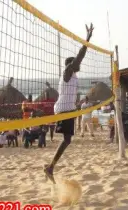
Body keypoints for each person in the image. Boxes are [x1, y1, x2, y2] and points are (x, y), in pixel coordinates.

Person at [44, 23, 94, 184]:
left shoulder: (73, 77)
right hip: (63, 110)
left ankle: (51, 167)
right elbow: (79, 57)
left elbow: (69, 95)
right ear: (70, 65)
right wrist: (87, 40)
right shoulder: (67, 72)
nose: (78, 66)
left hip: (69, 109)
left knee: (67, 140)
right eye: (75, 64)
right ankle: (50, 167)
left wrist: (80, 102)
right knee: (66, 140)